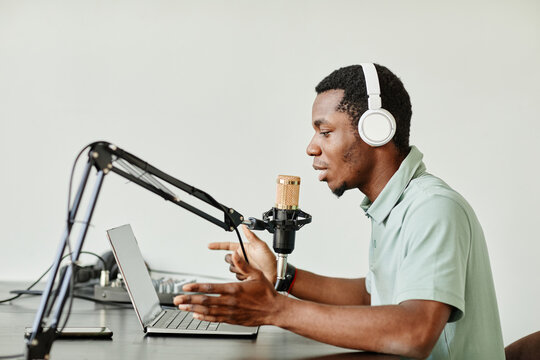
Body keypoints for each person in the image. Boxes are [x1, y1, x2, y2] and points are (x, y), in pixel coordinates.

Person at [174, 64, 505, 359]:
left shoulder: (432, 209)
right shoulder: (394, 205)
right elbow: (371, 297)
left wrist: (274, 309)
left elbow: (414, 331)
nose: (311, 147)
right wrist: (281, 275)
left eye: (325, 131)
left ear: (376, 130)